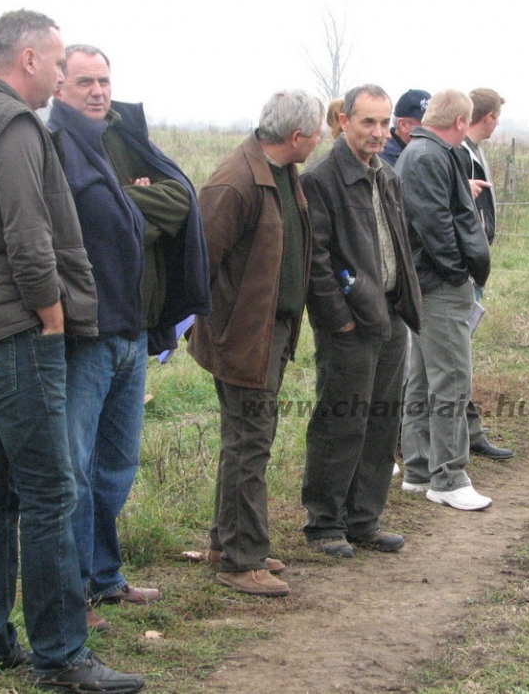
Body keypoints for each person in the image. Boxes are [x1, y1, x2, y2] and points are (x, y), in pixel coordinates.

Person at [0, 9, 143, 692]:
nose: (57, 73)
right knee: (51, 492)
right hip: (15, 334)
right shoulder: (15, 127)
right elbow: (28, 235)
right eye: (54, 63)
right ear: (26, 61)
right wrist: (52, 315)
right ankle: (62, 655)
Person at [48, 44, 210, 629]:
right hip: (86, 335)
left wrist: (124, 200)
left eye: (104, 80)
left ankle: (104, 577)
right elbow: (83, 220)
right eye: (85, 81)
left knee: (116, 466)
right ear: (60, 85)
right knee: (75, 470)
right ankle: (71, 596)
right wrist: (129, 201)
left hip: (135, 333)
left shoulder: (122, 136)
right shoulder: (54, 145)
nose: (97, 91)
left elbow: (181, 196)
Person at [188, 90, 324, 593]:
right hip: (244, 337)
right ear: (296, 137)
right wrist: (224, 329)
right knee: (249, 445)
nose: (320, 139)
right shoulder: (235, 182)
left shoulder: (282, 174)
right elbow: (198, 263)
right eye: (317, 132)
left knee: (247, 441)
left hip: (272, 331)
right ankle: (243, 561)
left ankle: (229, 540)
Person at [300, 84, 422, 556]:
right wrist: (340, 321)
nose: (378, 132)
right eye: (368, 121)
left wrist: (404, 306)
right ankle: (325, 524)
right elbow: (318, 263)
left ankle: (364, 521)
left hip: (391, 316)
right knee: (340, 421)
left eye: (384, 122)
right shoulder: (321, 178)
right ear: (345, 121)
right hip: (350, 324)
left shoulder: (387, 176)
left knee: (382, 422)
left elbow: (399, 246)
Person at [397, 89, 492, 511]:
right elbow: (435, 224)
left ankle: (418, 470)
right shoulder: (431, 156)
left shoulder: (419, 152)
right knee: (452, 379)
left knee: (422, 376)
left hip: (425, 283)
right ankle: (449, 477)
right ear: (459, 122)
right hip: (438, 285)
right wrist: (458, 274)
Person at [453, 87, 513, 460]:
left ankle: (468, 430)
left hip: (473, 265)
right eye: (497, 118)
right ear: (488, 117)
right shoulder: (460, 154)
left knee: (460, 355)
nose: (496, 125)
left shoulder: (472, 152)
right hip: (462, 271)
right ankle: (461, 434)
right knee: (454, 358)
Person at [379, 88, 431, 166]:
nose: (432, 128)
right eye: (425, 123)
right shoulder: (382, 157)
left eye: (434, 121)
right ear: (403, 125)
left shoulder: (433, 151)